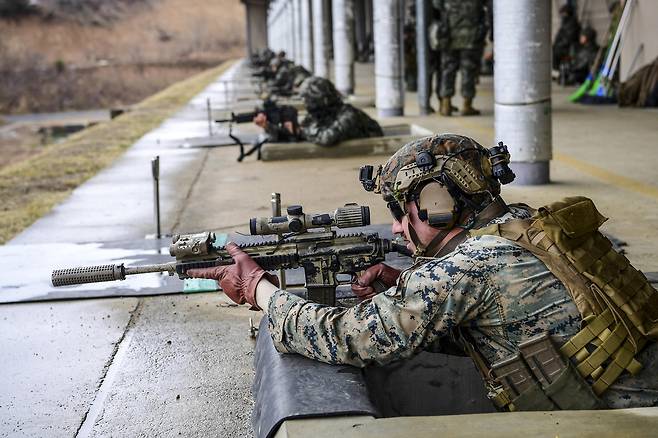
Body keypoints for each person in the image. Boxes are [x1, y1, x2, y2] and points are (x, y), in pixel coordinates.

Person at [187, 133, 658, 411]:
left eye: (399, 209)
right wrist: (404, 285)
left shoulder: (468, 267)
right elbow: (517, 327)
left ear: (437, 206)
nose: (395, 225)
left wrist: (259, 289)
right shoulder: (524, 224)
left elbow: (347, 338)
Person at [256, 76, 383, 147]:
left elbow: (327, 138)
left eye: (310, 100)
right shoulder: (320, 114)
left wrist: (300, 131)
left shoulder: (349, 115)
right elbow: (299, 132)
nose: (307, 104)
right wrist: (269, 127)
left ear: (323, 100)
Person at [433, 0, 491, 116]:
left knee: (448, 69)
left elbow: (436, 5)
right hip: (471, 36)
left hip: (450, 35)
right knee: (468, 70)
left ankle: (446, 104)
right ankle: (466, 105)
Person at [553, 4, 581, 72]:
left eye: (564, 13)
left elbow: (568, 39)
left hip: (568, 48)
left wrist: (558, 45)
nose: (562, 15)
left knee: (554, 52)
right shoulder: (565, 23)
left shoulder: (572, 24)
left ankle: (556, 70)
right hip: (563, 46)